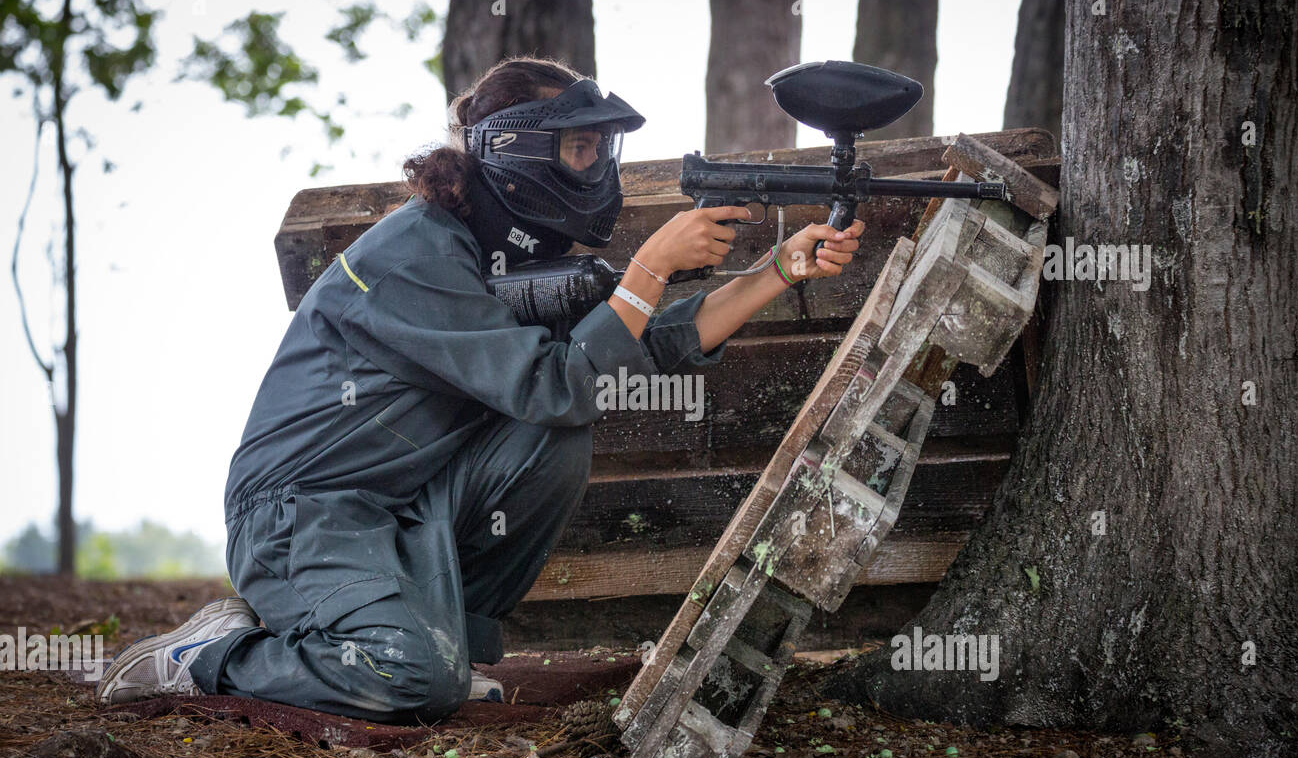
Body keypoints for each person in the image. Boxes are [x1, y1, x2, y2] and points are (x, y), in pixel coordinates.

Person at [96, 56, 866, 724]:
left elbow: (638, 348)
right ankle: (213, 655)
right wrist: (649, 269)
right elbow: (557, 383)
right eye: (577, 148)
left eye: (600, 149)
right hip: (305, 515)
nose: (595, 168)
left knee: (551, 438)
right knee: (404, 679)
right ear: (516, 148)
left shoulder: (504, 251)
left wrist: (776, 272)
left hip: (407, 501)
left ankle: (450, 649)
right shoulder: (415, 254)